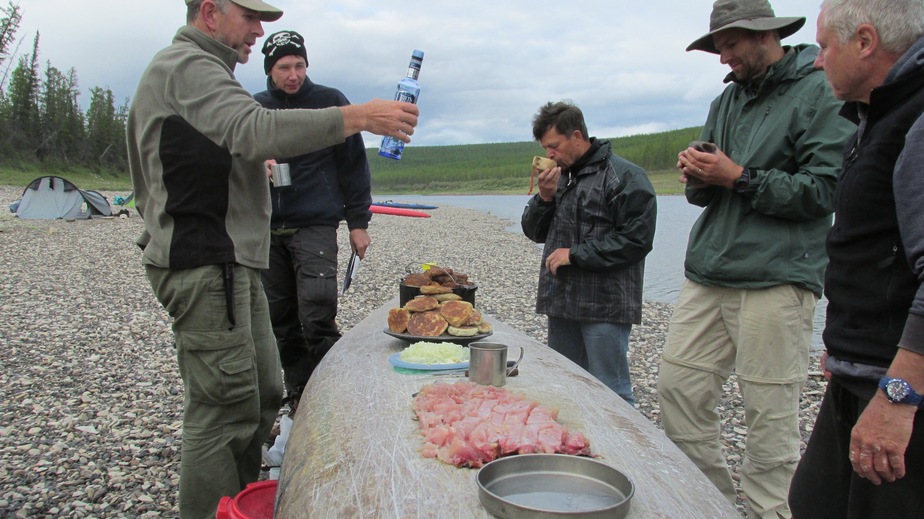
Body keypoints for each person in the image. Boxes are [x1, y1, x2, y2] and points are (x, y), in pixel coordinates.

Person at [126, 1, 418, 517]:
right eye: (251, 18)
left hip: (233, 263)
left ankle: (238, 501)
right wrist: (362, 117)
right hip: (205, 262)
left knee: (260, 393)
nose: (260, 31)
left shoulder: (210, 73)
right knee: (223, 412)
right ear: (211, 13)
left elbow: (226, 140)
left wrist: (242, 167)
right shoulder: (186, 65)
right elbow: (255, 128)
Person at [655, 0, 853, 516]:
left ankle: (771, 511)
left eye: (730, 46)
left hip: (777, 279)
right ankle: (712, 506)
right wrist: (698, 174)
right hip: (709, 271)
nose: (723, 59)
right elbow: (707, 193)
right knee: (678, 391)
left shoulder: (818, 89)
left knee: (769, 419)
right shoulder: (727, 101)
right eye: (718, 47)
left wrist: (737, 176)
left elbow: (824, 191)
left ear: (764, 35)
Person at [788, 1, 924, 516]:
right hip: (861, 368)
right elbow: (872, 248)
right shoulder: (876, 116)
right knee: (813, 501)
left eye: (824, 46)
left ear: (865, 42)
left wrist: (898, 397)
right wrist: (843, 345)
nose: (818, 61)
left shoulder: (916, 119)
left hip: (899, 386)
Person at [254, 30, 372, 408]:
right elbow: (231, 158)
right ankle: (300, 395)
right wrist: (258, 161)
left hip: (315, 223)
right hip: (267, 227)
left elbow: (354, 165)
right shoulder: (254, 108)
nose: (293, 74)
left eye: (300, 65)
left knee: (318, 311)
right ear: (270, 71)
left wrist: (358, 223)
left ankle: (330, 393)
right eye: (284, 67)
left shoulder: (330, 102)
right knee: (281, 320)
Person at [521, 101, 657, 406]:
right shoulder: (560, 178)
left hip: (604, 307)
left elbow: (637, 240)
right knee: (565, 387)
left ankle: (622, 453)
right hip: (561, 303)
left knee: (612, 393)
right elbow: (533, 232)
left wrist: (576, 254)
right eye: (546, 148)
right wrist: (544, 198)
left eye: (554, 146)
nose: (549, 155)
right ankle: (576, 453)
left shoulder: (624, 176)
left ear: (577, 136)